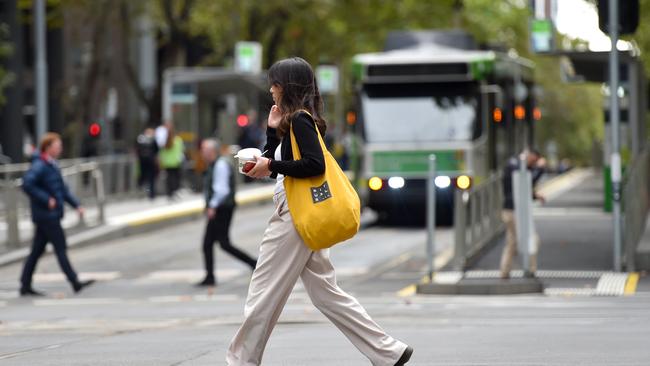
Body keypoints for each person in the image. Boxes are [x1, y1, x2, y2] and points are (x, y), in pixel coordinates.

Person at [226, 57, 413, 366]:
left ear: (285, 86)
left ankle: (240, 361)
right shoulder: (295, 121)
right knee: (326, 293)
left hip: (295, 217)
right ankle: (387, 351)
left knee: (263, 290)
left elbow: (313, 165)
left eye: (274, 83)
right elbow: (280, 167)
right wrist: (272, 135)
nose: (270, 90)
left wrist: (270, 163)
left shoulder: (300, 119)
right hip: (304, 216)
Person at [19, 133, 95, 296]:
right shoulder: (40, 165)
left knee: (37, 251)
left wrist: (77, 205)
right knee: (60, 247)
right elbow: (26, 184)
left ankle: (25, 285)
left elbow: (62, 190)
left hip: (49, 215)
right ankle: (75, 282)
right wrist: (47, 200)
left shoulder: (51, 164)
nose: (60, 148)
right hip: (47, 215)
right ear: (48, 147)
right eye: (57, 145)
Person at [197, 138, 257, 287]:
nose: (202, 152)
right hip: (221, 207)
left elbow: (222, 190)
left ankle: (253, 263)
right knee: (212, 243)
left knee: (219, 243)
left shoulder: (220, 165)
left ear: (212, 151)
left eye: (204, 149)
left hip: (221, 208)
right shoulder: (215, 164)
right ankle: (210, 276)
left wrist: (212, 206)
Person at [500, 149, 546, 279]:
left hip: (510, 209)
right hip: (515, 211)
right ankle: (530, 270)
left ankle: (505, 271)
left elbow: (520, 188)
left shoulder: (513, 164)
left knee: (512, 242)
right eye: (534, 161)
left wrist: (535, 195)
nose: (534, 164)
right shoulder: (516, 165)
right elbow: (525, 182)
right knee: (532, 239)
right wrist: (540, 169)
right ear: (530, 155)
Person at [158, 125, 184, 199]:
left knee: (169, 178)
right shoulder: (178, 140)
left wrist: (162, 161)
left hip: (167, 162)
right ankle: (175, 191)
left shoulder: (165, 141)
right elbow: (181, 150)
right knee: (175, 177)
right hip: (176, 162)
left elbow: (162, 152)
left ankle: (169, 193)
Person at [135, 127, 158, 199]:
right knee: (151, 178)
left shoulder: (140, 139)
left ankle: (141, 191)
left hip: (142, 161)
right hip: (151, 161)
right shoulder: (153, 139)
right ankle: (151, 194)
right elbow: (157, 150)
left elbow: (137, 149)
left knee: (142, 176)